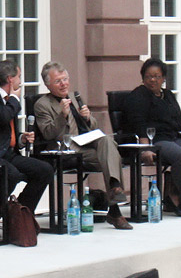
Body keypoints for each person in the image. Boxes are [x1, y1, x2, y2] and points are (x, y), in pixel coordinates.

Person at [34, 61, 131, 230]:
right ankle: (115, 208)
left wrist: (87, 117)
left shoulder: (74, 96)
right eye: (58, 81)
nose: (63, 84)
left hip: (86, 142)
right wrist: (62, 115)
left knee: (106, 141)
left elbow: (93, 127)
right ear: (48, 85)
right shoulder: (42, 104)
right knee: (111, 157)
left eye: (65, 79)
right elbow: (48, 133)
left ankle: (115, 190)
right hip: (67, 146)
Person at [0, 59, 53, 240]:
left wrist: (21, 138)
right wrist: (14, 99)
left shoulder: (8, 101)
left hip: (8, 153)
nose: (20, 81)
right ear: (10, 79)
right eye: (19, 76)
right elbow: (2, 116)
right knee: (12, 174)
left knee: (44, 170)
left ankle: (19, 212)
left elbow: (6, 130)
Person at [123, 58, 181, 217]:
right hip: (155, 140)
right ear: (143, 77)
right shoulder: (138, 96)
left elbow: (177, 118)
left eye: (157, 76)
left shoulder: (168, 95)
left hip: (174, 136)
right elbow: (139, 125)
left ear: (163, 78)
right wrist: (145, 148)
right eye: (149, 76)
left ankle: (177, 196)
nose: (153, 80)